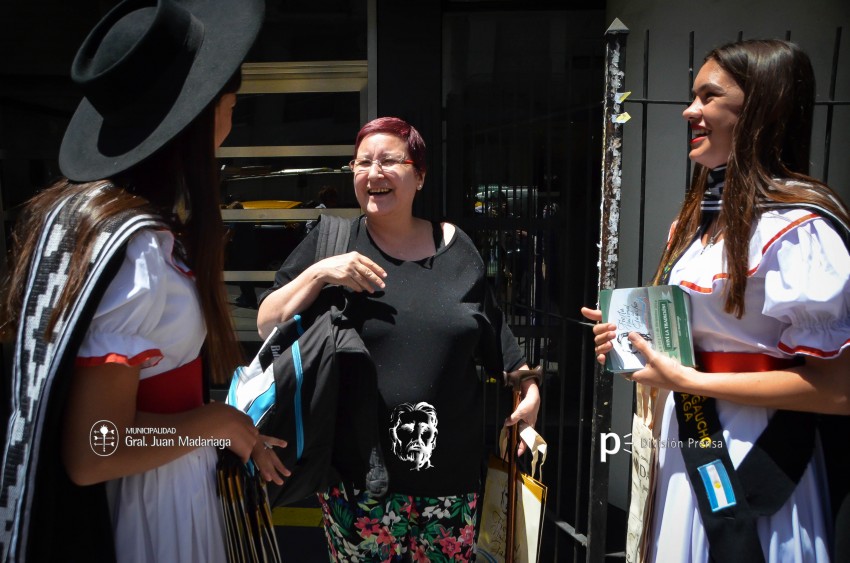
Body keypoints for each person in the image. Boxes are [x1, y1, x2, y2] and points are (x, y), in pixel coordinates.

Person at [0, 1, 289, 561]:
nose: (232, 118)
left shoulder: (84, 220)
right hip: (149, 516)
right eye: (230, 104)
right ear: (203, 113)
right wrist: (213, 422)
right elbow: (95, 449)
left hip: (152, 494)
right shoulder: (139, 255)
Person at [582, 39, 850, 562]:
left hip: (762, 452)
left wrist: (688, 381)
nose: (690, 111)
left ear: (760, 109)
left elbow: (839, 389)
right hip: (689, 441)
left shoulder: (799, 228)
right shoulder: (695, 221)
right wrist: (632, 341)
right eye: (692, 96)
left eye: (709, 97)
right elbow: (699, 337)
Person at [256, 116, 541, 562]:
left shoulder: (457, 247)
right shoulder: (332, 243)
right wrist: (321, 273)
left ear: (420, 175)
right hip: (357, 485)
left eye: (390, 161)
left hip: (451, 484)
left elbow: (495, 333)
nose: (374, 173)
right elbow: (265, 322)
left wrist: (528, 386)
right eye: (363, 163)